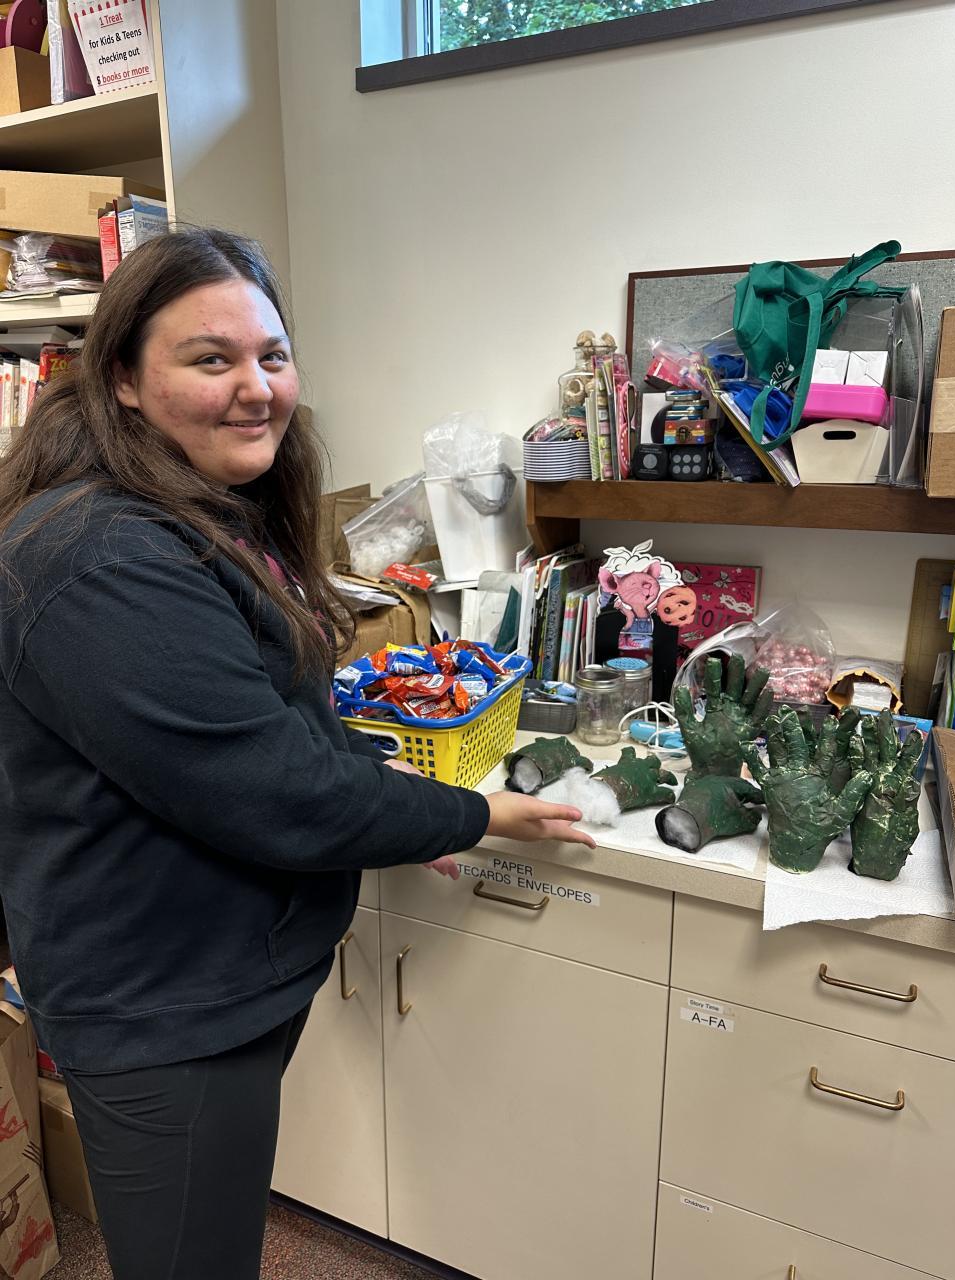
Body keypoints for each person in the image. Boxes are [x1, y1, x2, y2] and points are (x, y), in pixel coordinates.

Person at [0, 228, 595, 1280]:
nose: (256, 387)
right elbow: (275, 790)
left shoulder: (193, 508)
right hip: (162, 1005)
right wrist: (475, 811)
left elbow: (269, 710)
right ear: (123, 378)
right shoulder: (101, 556)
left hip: (224, 969)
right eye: (211, 358)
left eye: (271, 355)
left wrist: (370, 773)